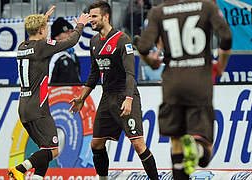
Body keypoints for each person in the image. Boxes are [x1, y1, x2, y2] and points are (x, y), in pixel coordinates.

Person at [137, 0, 232, 179]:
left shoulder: (158, 11)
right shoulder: (207, 6)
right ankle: (197, 149)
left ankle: (189, 154)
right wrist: (220, 65)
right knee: (204, 152)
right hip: (199, 83)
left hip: (172, 85)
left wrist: (152, 62)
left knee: (176, 145)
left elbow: (142, 48)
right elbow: (226, 37)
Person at [69, 1, 159, 179]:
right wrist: (81, 98)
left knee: (138, 145)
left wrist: (128, 99)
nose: (91, 20)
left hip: (125, 95)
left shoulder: (122, 39)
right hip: (107, 97)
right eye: (90, 16)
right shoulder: (94, 41)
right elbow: (94, 75)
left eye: (94, 16)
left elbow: (130, 74)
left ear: (106, 17)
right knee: (96, 144)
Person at [7, 6, 90, 180]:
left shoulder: (23, 46)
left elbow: (37, 37)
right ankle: (20, 169)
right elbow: (71, 42)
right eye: (46, 28)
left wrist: (42, 21)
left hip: (23, 107)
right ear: (41, 30)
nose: (48, 31)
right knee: (53, 150)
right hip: (38, 108)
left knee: (44, 149)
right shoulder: (42, 46)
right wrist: (81, 25)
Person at [49, 17, 81, 84]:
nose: (70, 35)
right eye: (66, 32)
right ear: (56, 37)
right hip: (57, 93)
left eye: (71, 32)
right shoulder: (52, 56)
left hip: (73, 93)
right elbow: (48, 83)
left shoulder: (72, 55)